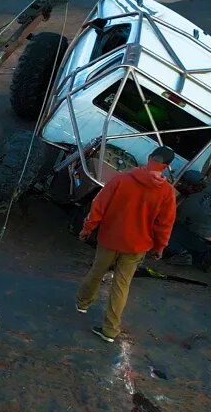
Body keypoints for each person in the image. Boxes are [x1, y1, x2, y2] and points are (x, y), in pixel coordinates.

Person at [75, 146, 177, 343]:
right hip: (137, 246)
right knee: (122, 285)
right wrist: (159, 247)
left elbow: (99, 205)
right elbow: (165, 223)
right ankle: (110, 329)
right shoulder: (167, 192)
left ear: (149, 157)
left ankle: (83, 302)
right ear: (166, 166)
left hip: (110, 238)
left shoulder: (122, 179)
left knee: (97, 271)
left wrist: (87, 228)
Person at [164, 170, 211, 271]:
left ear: (190, 186)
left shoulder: (190, 205)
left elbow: (170, 216)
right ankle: (205, 254)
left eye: (182, 183)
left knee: (167, 229)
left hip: (202, 239)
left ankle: (182, 253)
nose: (179, 185)